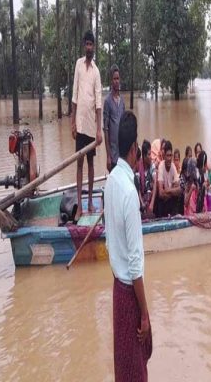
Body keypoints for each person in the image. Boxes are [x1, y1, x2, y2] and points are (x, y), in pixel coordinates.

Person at [104, 111, 152, 380]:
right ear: (134, 149)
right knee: (137, 371)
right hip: (130, 295)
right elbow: (135, 264)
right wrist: (144, 314)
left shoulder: (110, 182)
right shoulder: (129, 191)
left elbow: (110, 242)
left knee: (125, 369)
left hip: (117, 290)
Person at [70, 31, 103, 219]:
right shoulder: (78, 65)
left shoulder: (97, 72)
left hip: (91, 125)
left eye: (91, 44)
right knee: (79, 163)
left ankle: (90, 200)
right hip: (80, 124)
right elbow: (74, 95)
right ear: (84, 46)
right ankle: (80, 205)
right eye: (87, 44)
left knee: (90, 163)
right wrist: (72, 122)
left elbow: (98, 101)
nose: (89, 47)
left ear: (94, 47)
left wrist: (99, 130)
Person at [103, 65, 125, 172]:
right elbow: (106, 130)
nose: (116, 81)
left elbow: (125, 126)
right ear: (111, 81)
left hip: (122, 152)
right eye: (114, 79)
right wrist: (108, 156)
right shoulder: (107, 101)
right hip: (113, 153)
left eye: (118, 78)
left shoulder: (122, 102)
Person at [154, 141, 182, 217]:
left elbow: (179, 190)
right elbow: (160, 193)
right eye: (167, 156)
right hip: (163, 203)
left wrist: (168, 190)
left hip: (170, 200)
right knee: (160, 200)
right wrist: (172, 190)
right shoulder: (161, 166)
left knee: (178, 197)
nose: (169, 158)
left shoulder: (173, 167)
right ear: (164, 156)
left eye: (170, 155)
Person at [134, 140, 156, 219]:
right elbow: (138, 188)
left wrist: (152, 204)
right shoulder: (138, 167)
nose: (151, 157)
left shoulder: (152, 165)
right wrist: (142, 203)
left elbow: (155, 183)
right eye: (149, 154)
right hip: (141, 201)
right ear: (143, 156)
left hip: (150, 199)